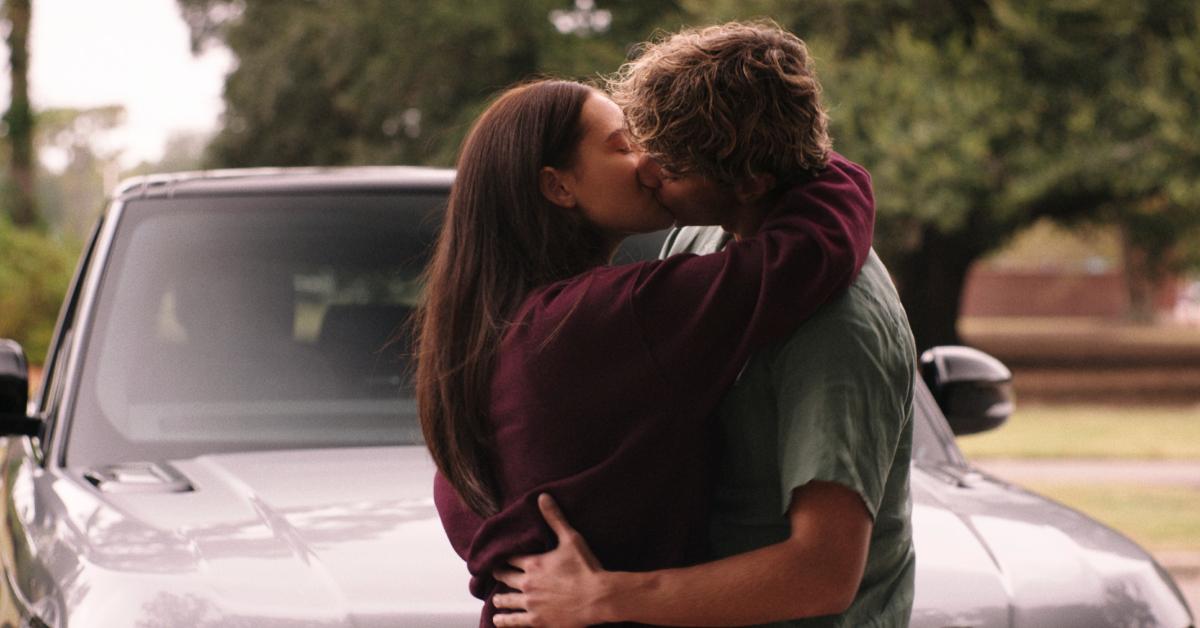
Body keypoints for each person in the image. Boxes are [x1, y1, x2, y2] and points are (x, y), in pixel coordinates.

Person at [489, 22, 917, 627]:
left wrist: (606, 596)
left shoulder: (837, 330)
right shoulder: (704, 235)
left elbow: (823, 573)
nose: (645, 169)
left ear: (749, 181)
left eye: (670, 165)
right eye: (640, 144)